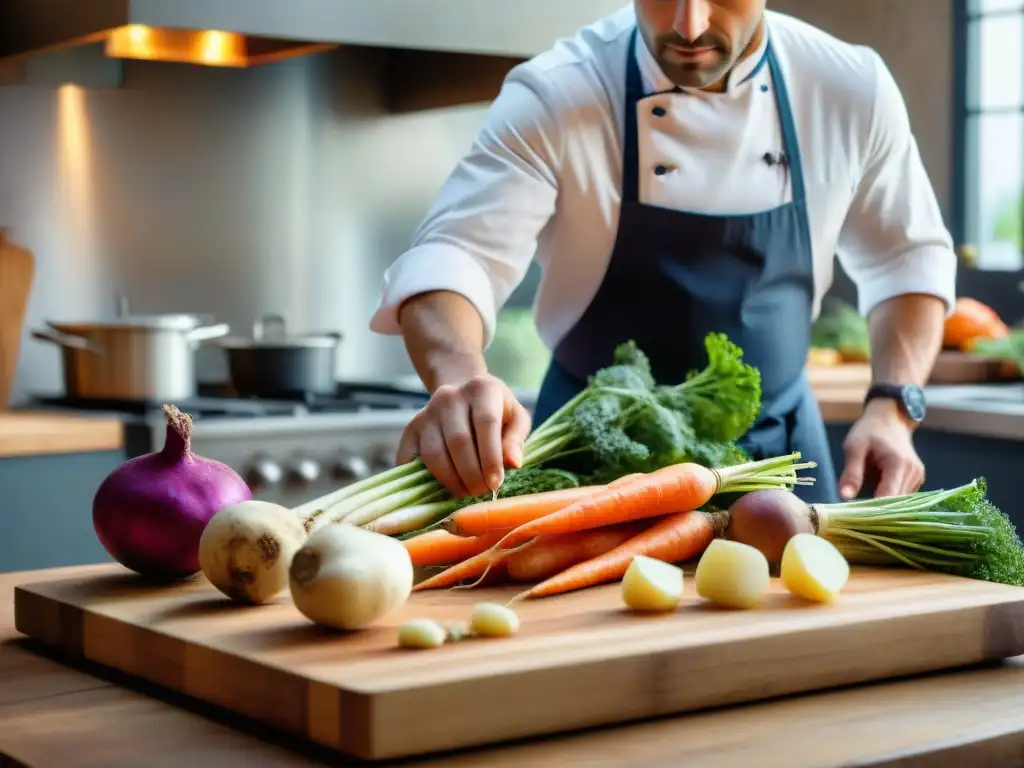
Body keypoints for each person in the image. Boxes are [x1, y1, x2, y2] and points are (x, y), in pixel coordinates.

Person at [369, 0, 956, 505]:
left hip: (781, 466)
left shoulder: (847, 87)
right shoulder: (558, 92)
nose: (690, 25)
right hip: (586, 463)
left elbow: (906, 258)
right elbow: (455, 255)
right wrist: (462, 378)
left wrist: (892, 406)